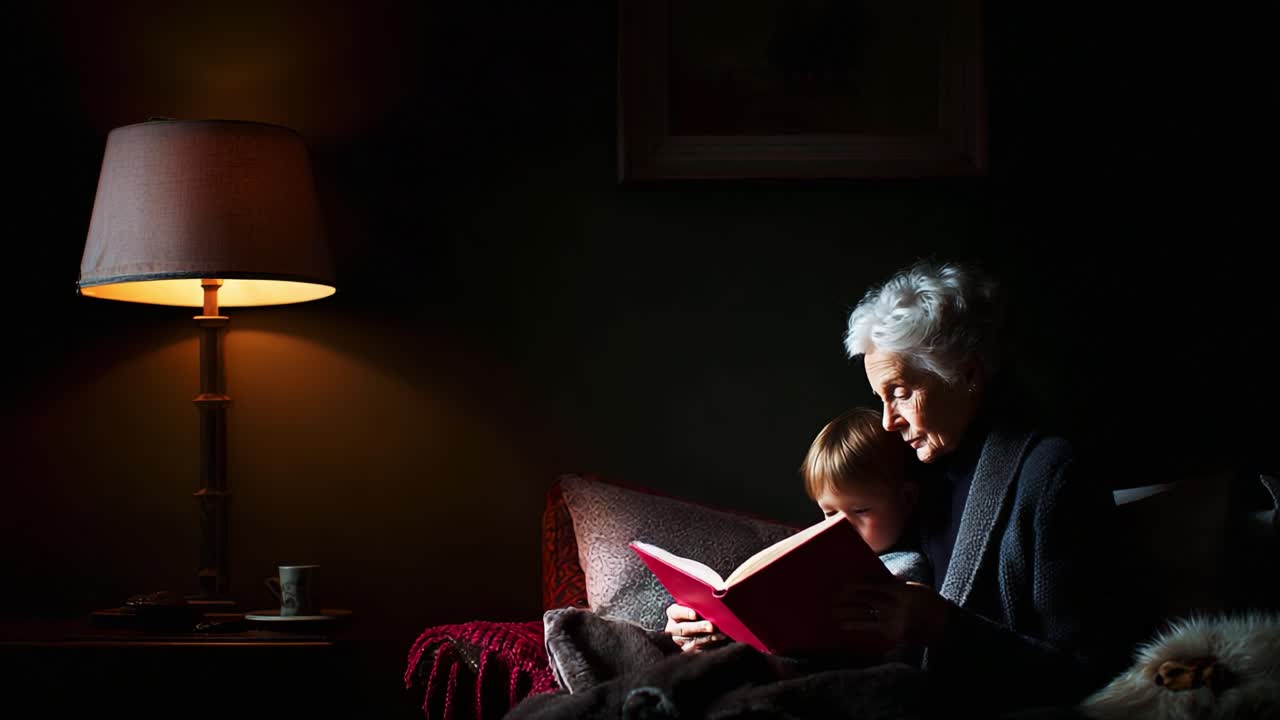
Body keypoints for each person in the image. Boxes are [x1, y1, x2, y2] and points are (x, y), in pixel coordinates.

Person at [666, 259, 1135, 713]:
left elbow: (1092, 674)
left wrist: (942, 625)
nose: (889, 421)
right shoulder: (907, 466)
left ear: (968, 375)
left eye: (901, 392)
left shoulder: (1050, 475)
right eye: (881, 399)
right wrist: (721, 624)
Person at [670, 405, 931, 654]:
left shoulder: (904, 569)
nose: (841, 526)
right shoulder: (816, 557)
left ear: (906, 499)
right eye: (829, 513)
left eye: (860, 510)